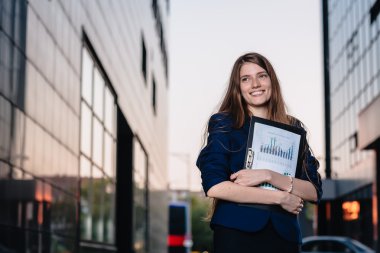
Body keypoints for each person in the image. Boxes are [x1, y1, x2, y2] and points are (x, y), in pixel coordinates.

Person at [196, 52, 322, 253]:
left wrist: (269, 176)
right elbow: (214, 186)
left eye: (261, 75)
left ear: (271, 81)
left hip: (284, 236)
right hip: (236, 233)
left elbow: (313, 191)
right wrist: (280, 198)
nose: (255, 83)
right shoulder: (225, 123)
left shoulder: (293, 127)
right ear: (238, 87)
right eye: (246, 79)